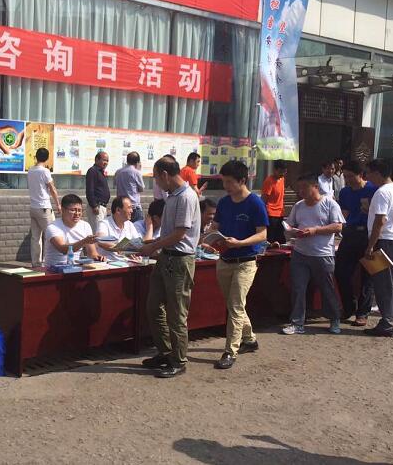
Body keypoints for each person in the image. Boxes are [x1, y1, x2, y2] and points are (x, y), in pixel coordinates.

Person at [138, 156, 200, 378]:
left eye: (156, 177)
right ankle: (165, 352)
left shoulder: (186, 197)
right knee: (153, 306)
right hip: (166, 257)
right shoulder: (172, 196)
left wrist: (153, 246)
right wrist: (152, 244)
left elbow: (180, 234)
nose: (156, 182)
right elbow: (169, 233)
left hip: (180, 260)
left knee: (176, 314)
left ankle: (179, 360)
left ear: (165, 175)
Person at [209, 160, 268, 370]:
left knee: (235, 306)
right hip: (224, 260)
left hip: (245, 262)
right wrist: (210, 238)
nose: (225, 186)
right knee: (234, 305)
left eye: (229, 182)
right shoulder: (224, 203)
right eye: (223, 181)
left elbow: (262, 234)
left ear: (242, 180)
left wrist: (241, 243)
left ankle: (230, 351)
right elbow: (215, 226)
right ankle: (249, 339)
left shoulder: (255, 203)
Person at [281, 174, 346, 335]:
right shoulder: (299, 206)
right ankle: (297, 322)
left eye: (304, 187)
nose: (301, 191)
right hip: (300, 253)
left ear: (315, 187)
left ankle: (334, 318)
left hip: (322, 254)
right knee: (298, 288)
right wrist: (292, 232)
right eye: (299, 188)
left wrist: (315, 230)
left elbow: (338, 226)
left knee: (327, 288)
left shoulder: (329, 204)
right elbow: (289, 225)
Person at [363, 158, 393, 338]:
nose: (367, 177)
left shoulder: (381, 192)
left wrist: (370, 246)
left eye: (368, 173)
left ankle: (387, 323)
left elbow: (380, 220)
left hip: (387, 242)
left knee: (383, 286)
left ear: (377, 173)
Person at [335, 161, 377, 326]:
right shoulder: (345, 192)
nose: (348, 180)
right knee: (341, 271)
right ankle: (348, 307)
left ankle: (363, 312)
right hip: (350, 234)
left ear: (361, 175)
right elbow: (344, 213)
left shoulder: (373, 190)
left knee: (368, 276)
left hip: (368, 235)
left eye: (351, 176)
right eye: (345, 177)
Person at [44, 194, 103, 266]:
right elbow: (63, 249)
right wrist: (84, 241)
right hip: (54, 268)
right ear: (63, 210)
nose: (77, 214)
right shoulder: (53, 227)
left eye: (79, 210)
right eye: (73, 210)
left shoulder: (85, 225)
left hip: (76, 267)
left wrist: (98, 257)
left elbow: (92, 253)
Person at [27, 148, 60, 267]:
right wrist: (58, 204)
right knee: (51, 235)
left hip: (33, 207)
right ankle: (49, 261)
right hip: (44, 207)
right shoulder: (45, 171)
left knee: (35, 237)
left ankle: (36, 263)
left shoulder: (30, 170)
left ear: (36, 156)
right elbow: (52, 189)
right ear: (47, 158)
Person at [96, 196, 141, 261]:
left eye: (132, 208)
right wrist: (123, 249)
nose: (131, 211)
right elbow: (101, 241)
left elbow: (138, 244)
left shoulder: (130, 224)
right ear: (118, 210)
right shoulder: (104, 224)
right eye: (129, 208)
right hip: (108, 263)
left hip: (127, 262)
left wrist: (132, 252)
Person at [261, 160, 287, 245]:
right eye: (280, 171)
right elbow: (264, 198)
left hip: (280, 213)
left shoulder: (282, 179)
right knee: (271, 239)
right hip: (271, 213)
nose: (282, 174)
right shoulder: (269, 181)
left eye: (284, 172)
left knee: (281, 239)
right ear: (274, 170)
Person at [114, 152, 145, 222]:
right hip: (134, 207)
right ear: (137, 162)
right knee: (137, 227)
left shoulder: (118, 172)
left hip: (121, 206)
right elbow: (141, 189)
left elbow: (115, 184)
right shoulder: (136, 172)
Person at [85, 152, 110, 230]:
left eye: (107, 161)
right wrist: (94, 205)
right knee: (97, 231)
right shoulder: (93, 171)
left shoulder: (100, 172)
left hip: (102, 207)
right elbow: (90, 189)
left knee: (102, 230)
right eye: (104, 160)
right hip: (96, 207)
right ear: (96, 160)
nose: (106, 163)